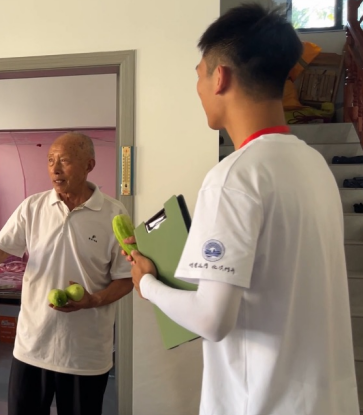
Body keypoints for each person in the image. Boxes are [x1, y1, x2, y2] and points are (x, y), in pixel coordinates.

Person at [125, 4, 359, 415]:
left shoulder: (234, 177)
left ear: (220, 77)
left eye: (199, 75)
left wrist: (147, 284)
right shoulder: (313, 164)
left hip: (262, 403)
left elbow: (212, 320)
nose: (198, 88)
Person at [0, 132, 133, 415]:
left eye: (65, 161)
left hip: (85, 354)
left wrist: (93, 300)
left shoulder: (113, 214)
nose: (55, 169)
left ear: (89, 165)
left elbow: (126, 278)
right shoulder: (33, 207)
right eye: (50, 160)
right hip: (32, 347)